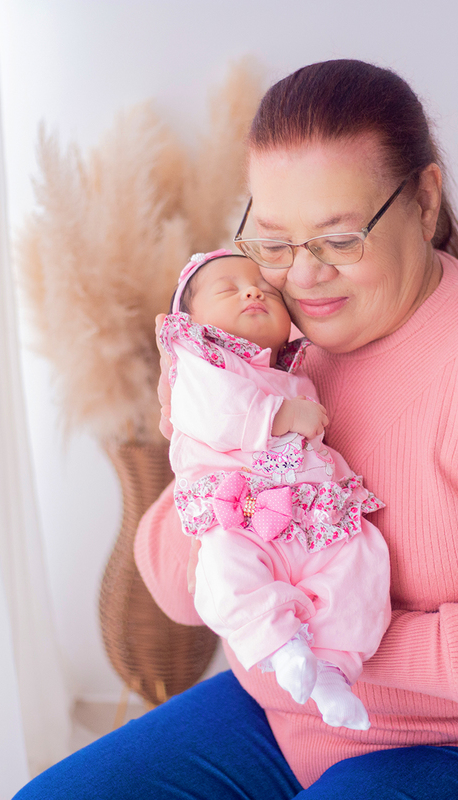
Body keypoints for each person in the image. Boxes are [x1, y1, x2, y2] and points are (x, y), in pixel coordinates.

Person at [15, 58, 458, 800]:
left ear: (425, 202)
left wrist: (332, 638)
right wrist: (208, 450)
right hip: (288, 715)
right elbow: (179, 591)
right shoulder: (282, 350)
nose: (303, 277)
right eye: (273, 242)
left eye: (339, 240)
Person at [160, 249, 391, 731]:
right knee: (223, 572)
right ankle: (281, 646)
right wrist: (280, 416)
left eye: (267, 290)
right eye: (230, 289)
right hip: (241, 520)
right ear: (192, 321)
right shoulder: (200, 364)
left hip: (309, 517)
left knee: (362, 557)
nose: (253, 291)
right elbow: (216, 413)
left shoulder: (291, 369)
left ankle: (331, 670)